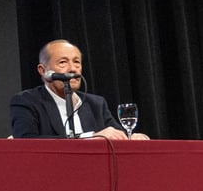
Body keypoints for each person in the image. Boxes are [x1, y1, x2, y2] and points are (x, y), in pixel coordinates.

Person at [10, 39, 149, 140]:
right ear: (43, 70)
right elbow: (26, 141)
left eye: (77, 62)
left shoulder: (96, 104)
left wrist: (131, 138)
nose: (72, 68)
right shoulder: (26, 101)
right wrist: (90, 138)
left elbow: (116, 134)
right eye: (63, 62)